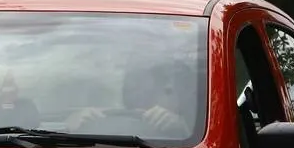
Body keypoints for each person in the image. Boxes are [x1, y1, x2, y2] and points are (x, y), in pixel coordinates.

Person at [67, 57, 197, 138]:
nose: (132, 86)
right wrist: (72, 125)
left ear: (161, 84)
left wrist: (180, 128)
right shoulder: (100, 111)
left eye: (141, 79)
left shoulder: (188, 116)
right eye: (129, 79)